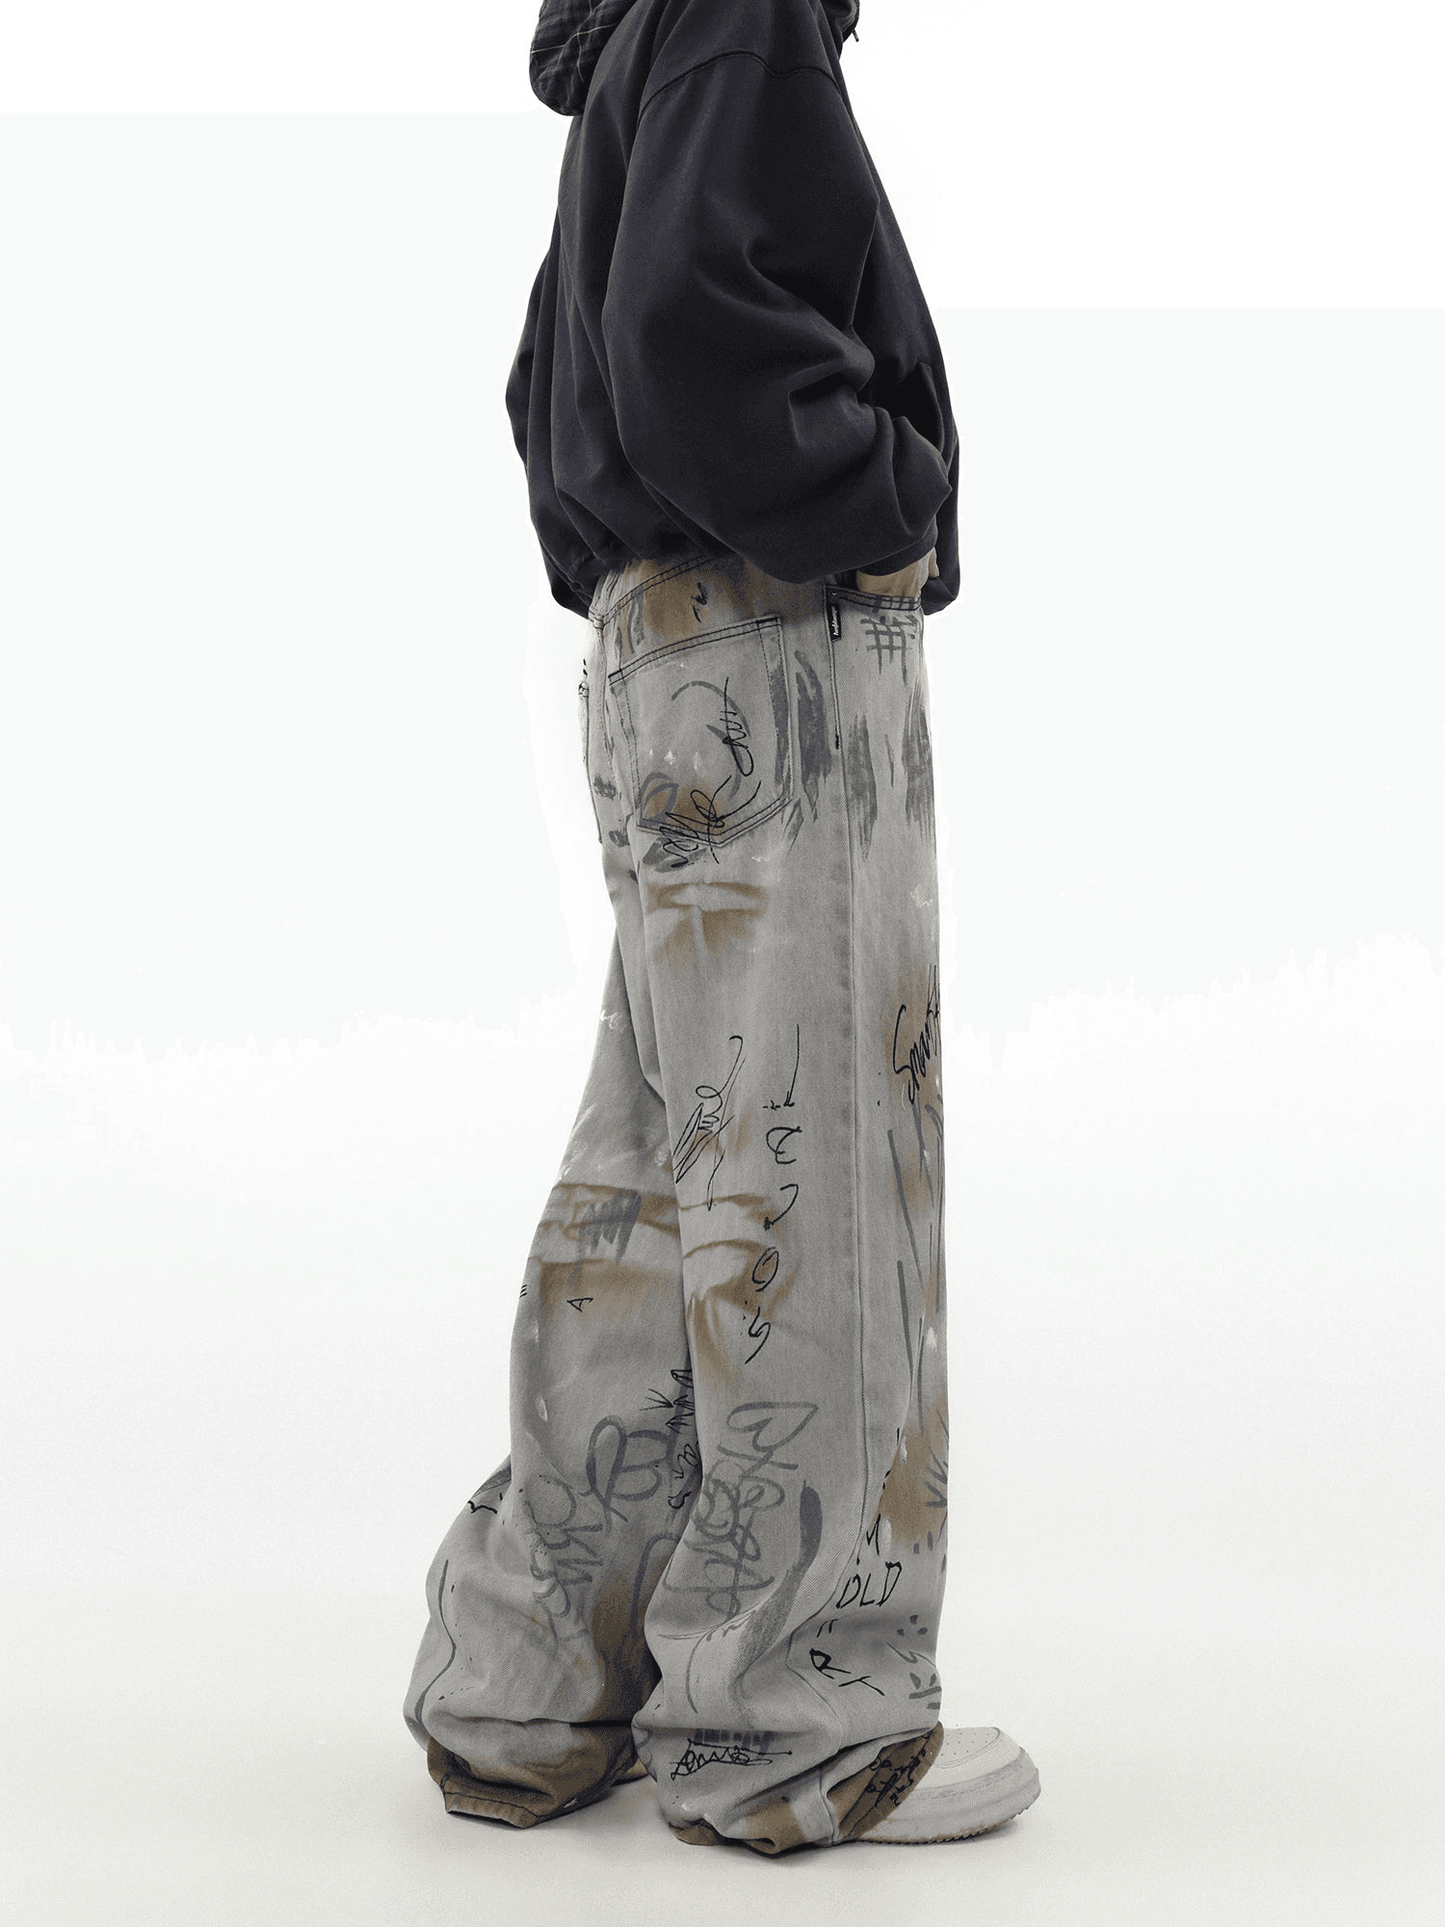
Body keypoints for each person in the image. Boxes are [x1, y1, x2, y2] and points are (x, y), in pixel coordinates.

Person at [402, 0, 1040, 1855]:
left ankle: (528, 1677)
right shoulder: (737, 13)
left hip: (659, 646)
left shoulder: (641, 37)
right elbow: (689, 342)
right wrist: (884, 502)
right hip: (777, 644)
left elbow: (554, 372)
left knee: (667, 1177)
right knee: (814, 1181)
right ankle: (801, 1718)